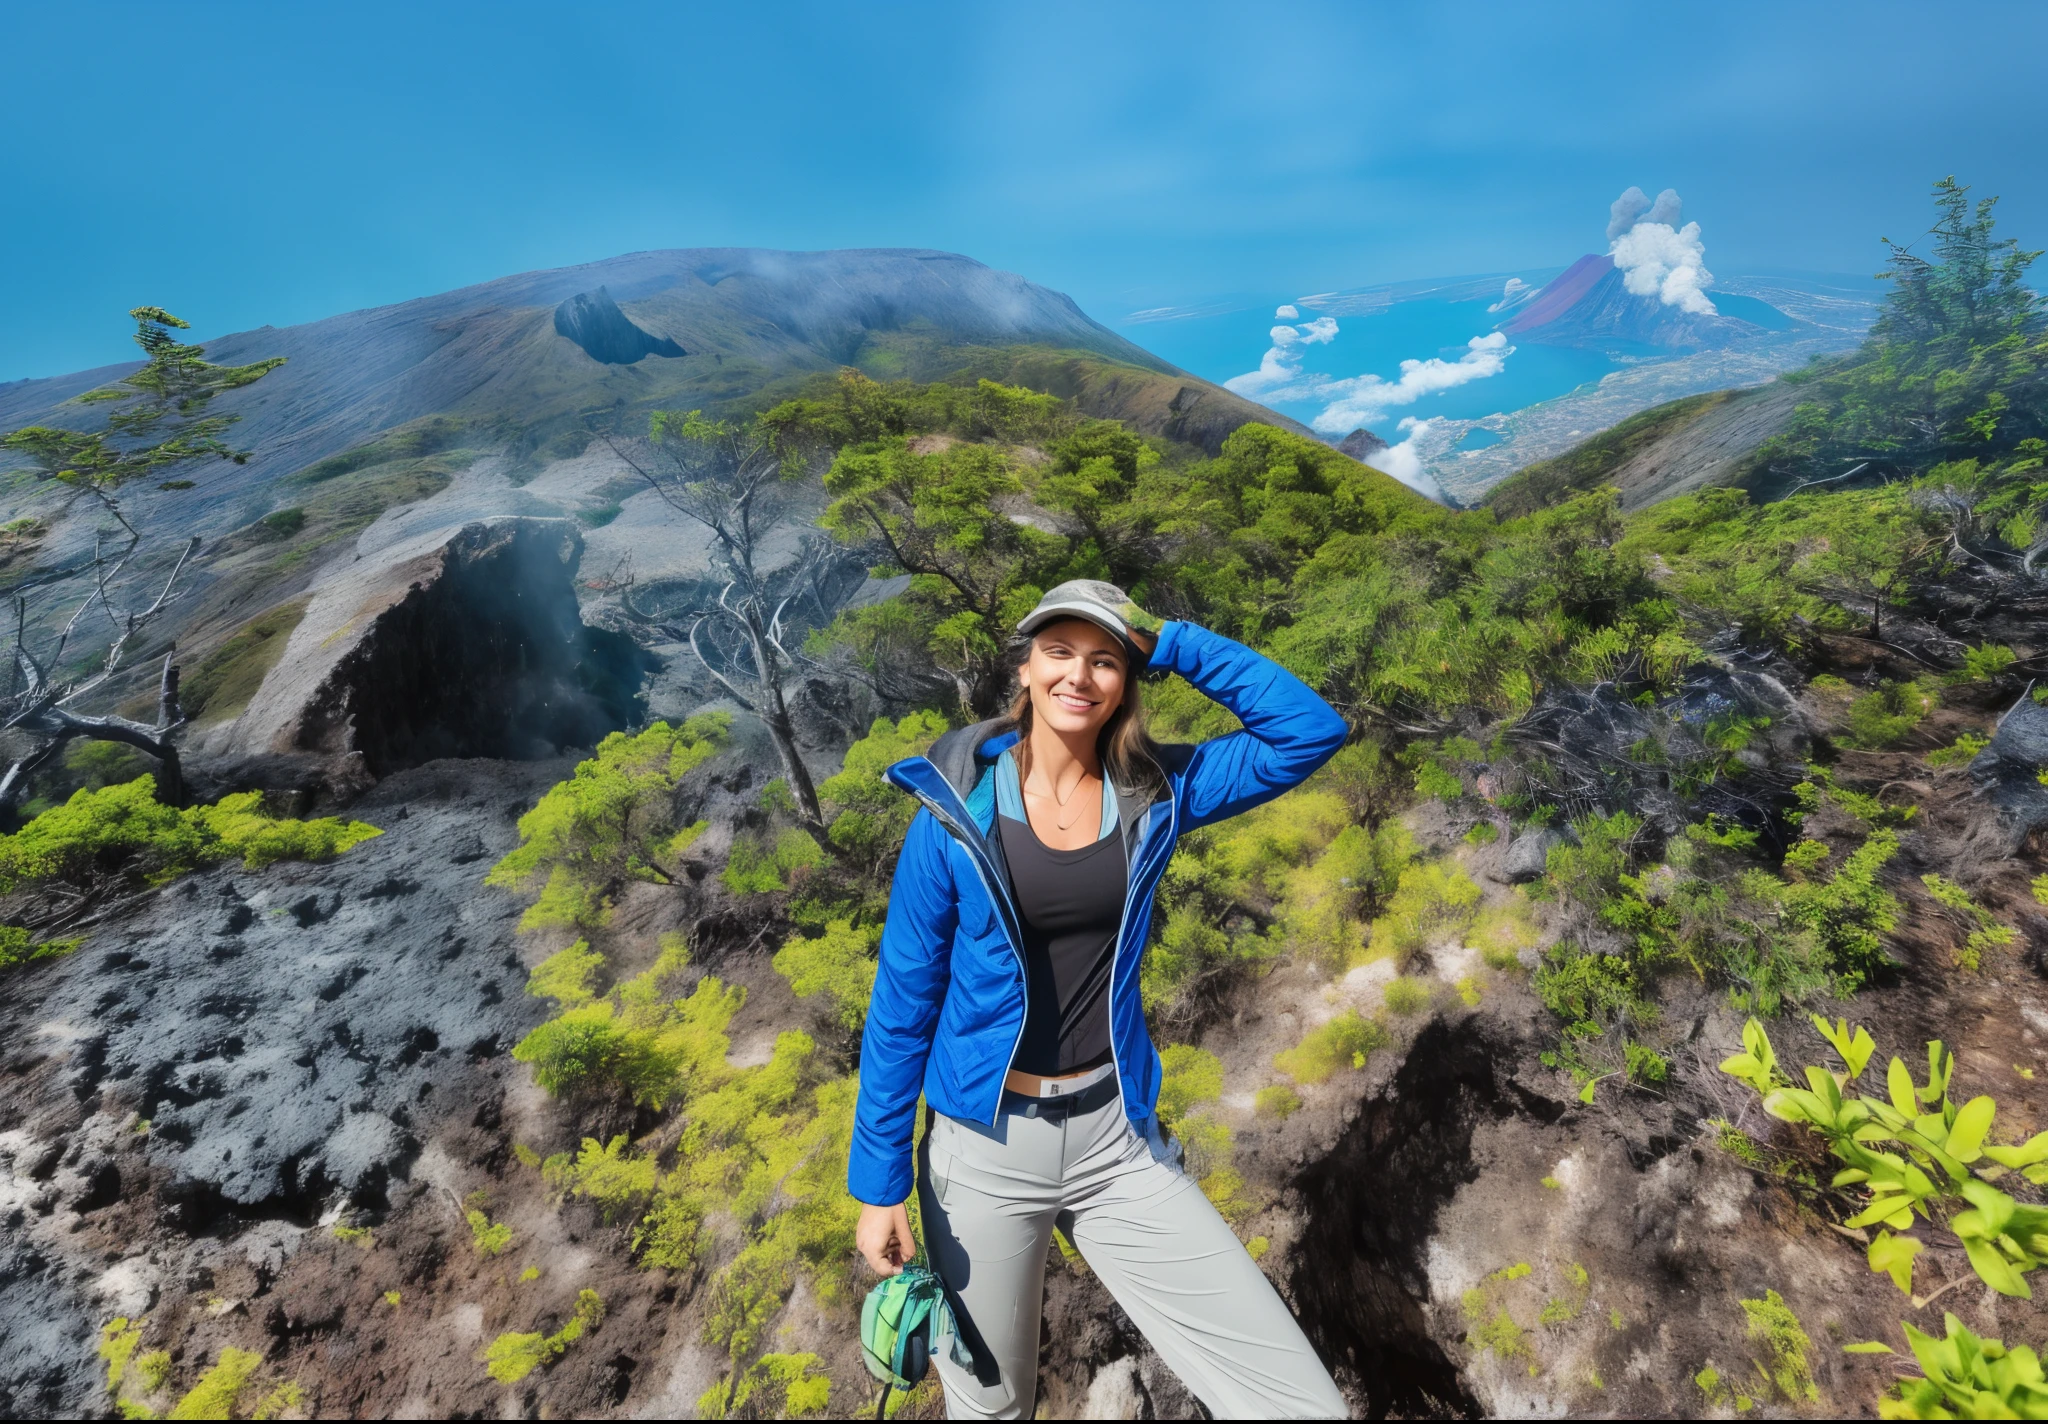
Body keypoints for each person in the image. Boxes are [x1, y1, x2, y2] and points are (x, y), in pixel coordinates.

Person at [848, 579, 1352, 1419]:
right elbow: (903, 1003)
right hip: (982, 1153)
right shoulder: (954, 812)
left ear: (1129, 678)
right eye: (1059, 651)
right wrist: (878, 1185)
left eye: (1105, 659)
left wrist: (1174, 641)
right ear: (1025, 666)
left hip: (1116, 1142)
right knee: (990, 1409)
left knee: (1300, 1407)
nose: (1078, 675)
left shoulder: (1157, 790)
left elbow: (1309, 732)